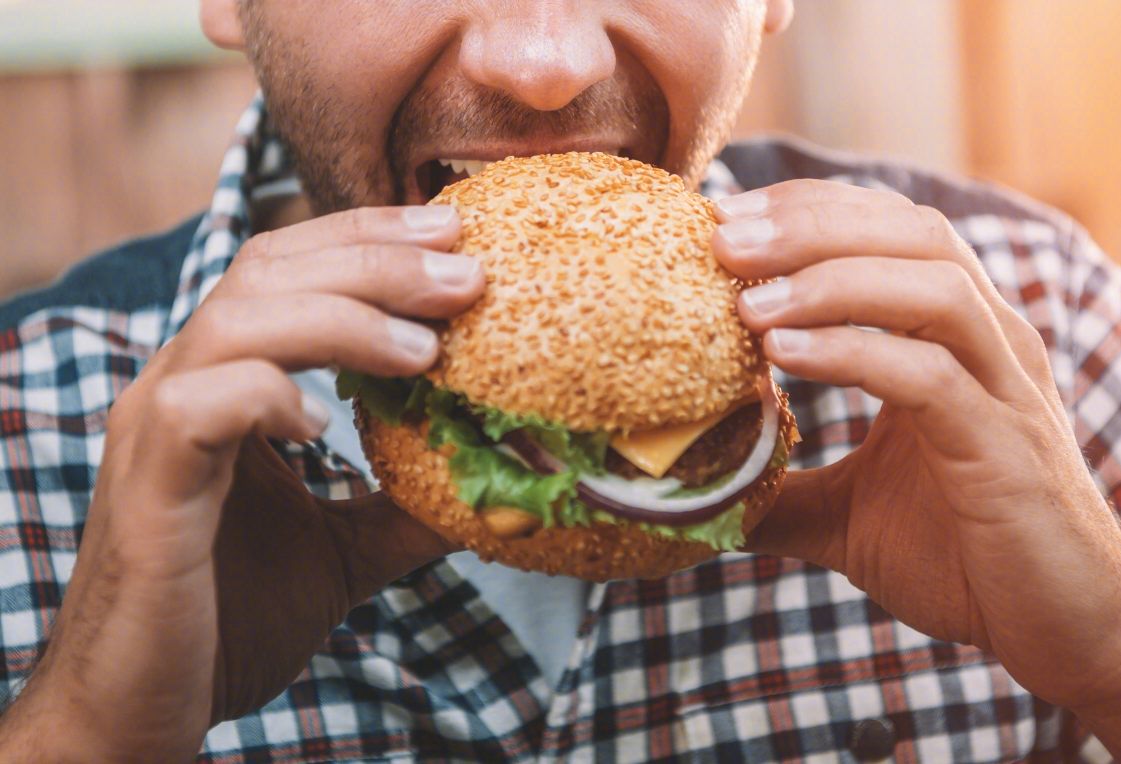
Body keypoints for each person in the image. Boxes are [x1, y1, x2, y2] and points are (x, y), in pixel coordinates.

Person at [0, 0, 1119, 760]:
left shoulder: (1042, 322)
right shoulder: (21, 433)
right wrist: (86, 731)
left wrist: (1107, 658)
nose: (544, 63)